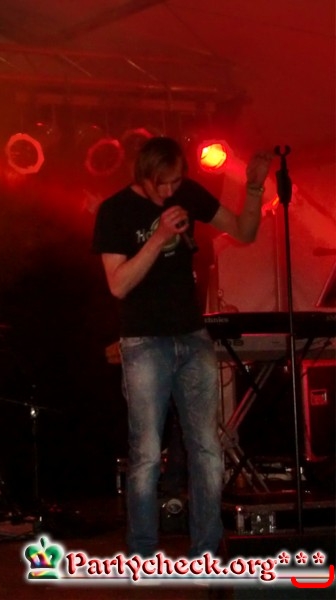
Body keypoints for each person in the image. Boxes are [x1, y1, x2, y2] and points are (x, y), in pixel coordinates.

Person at [91, 136, 272, 557]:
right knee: (146, 452)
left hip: (192, 337)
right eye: (164, 184)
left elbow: (244, 232)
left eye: (176, 181)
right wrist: (157, 237)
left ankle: (206, 549)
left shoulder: (188, 194)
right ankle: (142, 551)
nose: (171, 190)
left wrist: (254, 187)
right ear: (144, 176)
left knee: (206, 447)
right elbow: (118, 284)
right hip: (144, 342)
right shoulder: (115, 211)